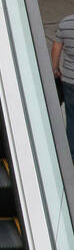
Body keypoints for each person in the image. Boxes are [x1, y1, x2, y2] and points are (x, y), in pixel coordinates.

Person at [51, 12, 74, 159]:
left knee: (71, 118)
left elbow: (56, 49)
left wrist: (55, 69)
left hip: (69, 81)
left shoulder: (66, 22)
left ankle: (70, 156)